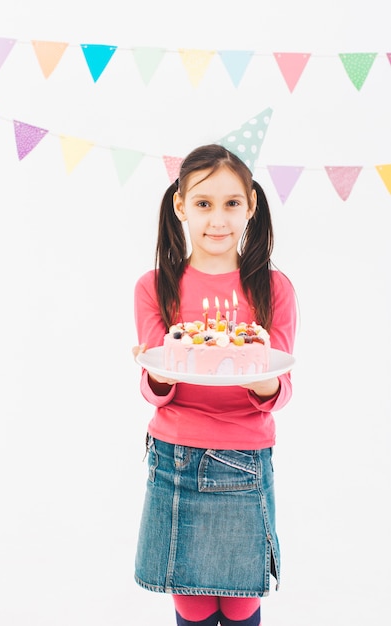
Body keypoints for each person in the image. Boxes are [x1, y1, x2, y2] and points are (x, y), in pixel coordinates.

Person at [132, 144, 297, 626]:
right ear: (180, 205)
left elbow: (280, 392)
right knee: (191, 599)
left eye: (231, 203)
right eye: (203, 203)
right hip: (175, 454)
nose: (218, 218)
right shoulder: (154, 286)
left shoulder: (273, 288)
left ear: (251, 206)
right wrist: (156, 370)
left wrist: (264, 374)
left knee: (243, 598)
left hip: (246, 457)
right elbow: (153, 386)